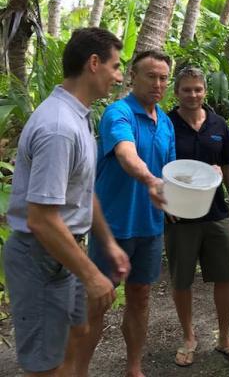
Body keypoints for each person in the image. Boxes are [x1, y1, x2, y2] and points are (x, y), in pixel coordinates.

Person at [3, 27, 130, 376]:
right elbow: (41, 219)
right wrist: (91, 275)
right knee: (49, 363)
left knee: (78, 332)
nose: (119, 77)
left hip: (66, 252)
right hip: (40, 256)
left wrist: (107, 243)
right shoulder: (59, 127)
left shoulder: (79, 116)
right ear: (93, 63)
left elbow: (81, 193)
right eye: (116, 66)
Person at [78, 50, 174, 377]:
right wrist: (149, 179)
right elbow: (125, 153)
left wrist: (178, 200)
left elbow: (170, 172)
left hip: (150, 226)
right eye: (151, 76)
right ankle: (79, 371)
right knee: (98, 302)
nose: (157, 83)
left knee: (141, 297)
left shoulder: (166, 122)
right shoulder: (118, 113)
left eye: (163, 78)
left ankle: (134, 369)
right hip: (113, 226)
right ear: (133, 76)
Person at [165, 66, 229, 367]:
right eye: (186, 89)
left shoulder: (218, 124)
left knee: (224, 277)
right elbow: (157, 166)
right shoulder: (166, 124)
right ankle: (188, 337)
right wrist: (164, 204)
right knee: (181, 279)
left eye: (197, 89)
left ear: (204, 91)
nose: (193, 94)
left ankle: (224, 337)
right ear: (176, 92)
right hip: (179, 216)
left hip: (215, 213)